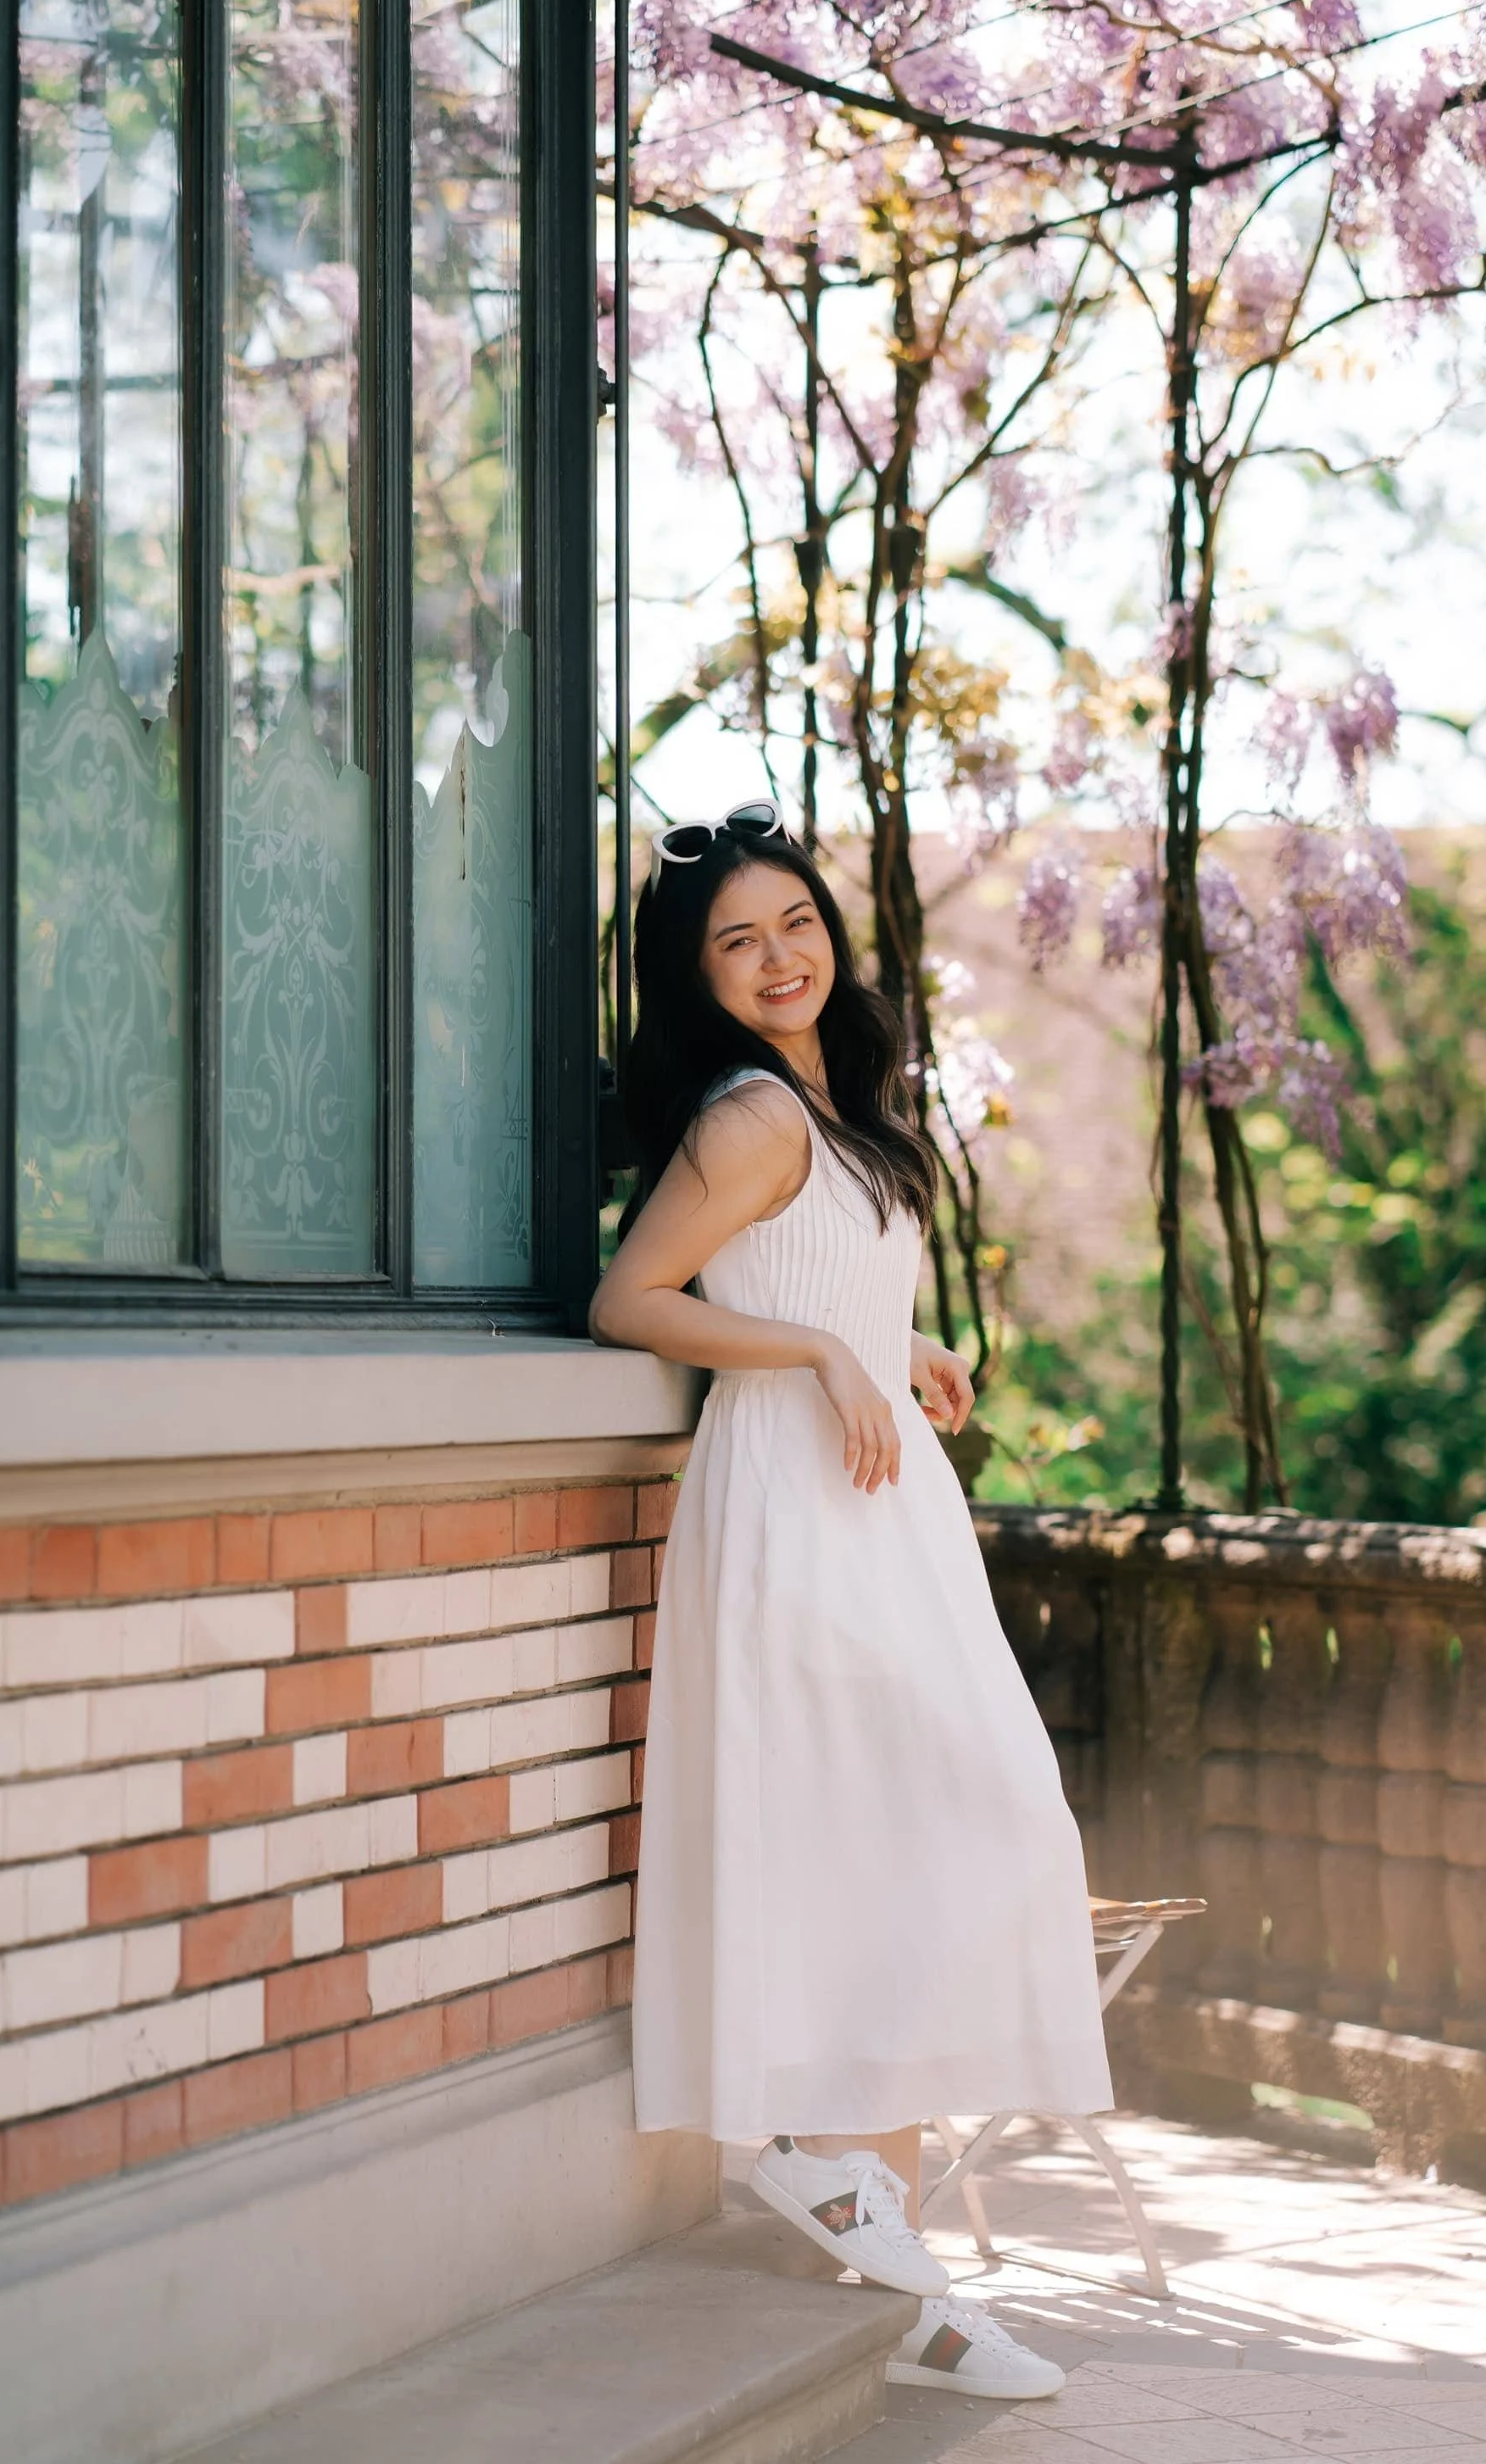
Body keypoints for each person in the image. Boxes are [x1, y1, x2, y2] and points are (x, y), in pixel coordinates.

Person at [590, 801, 1112, 2401]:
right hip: (796, 1518)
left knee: (942, 1844)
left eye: (795, 923)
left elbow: (814, 1284)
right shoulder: (748, 1116)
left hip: (877, 1513)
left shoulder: (839, 1107)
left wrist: (895, 1349)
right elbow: (631, 1299)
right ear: (697, 975)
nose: (776, 958)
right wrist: (823, 1356)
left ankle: (875, 2233)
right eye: (735, 942)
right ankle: (885, 2246)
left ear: (832, 927)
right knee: (935, 1835)